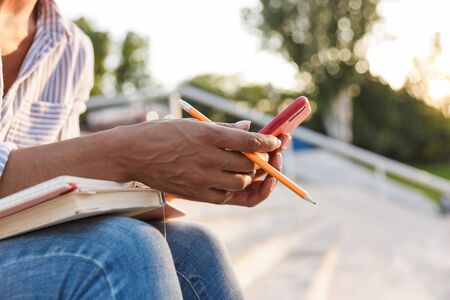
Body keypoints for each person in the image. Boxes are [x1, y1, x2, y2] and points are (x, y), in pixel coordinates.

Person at [0, 0, 291, 298]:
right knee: (123, 251)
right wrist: (124, 152)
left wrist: (174, 172)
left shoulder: (71, 48)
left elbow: (54, 187)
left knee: (196, 248)